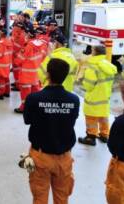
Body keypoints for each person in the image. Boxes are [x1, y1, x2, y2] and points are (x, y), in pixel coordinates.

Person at [23, 59, 80, 204]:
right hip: (64, 157)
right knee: (62, 198)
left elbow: (27, 120)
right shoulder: (74, 100)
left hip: (40, 156)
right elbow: (71, 121)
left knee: (39, 196)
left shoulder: (33, 98)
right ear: (65, 76)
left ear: (47, 75)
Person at [78, 45, 117, 146]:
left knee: (91, 117)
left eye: (92, 51)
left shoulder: (93, 65)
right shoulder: (108, 65)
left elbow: (89, 85)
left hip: (94, 97)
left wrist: (83, 82)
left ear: (94, 52)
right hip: (105, 97)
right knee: (103, 116)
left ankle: (91, 137)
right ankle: (104, 135)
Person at [14, 29, 47, 113]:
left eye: (26, 34)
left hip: (26, 75)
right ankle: (35, 108)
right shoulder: (43, 44)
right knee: (35, 93)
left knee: (25, 94)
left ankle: (24, 108)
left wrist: (16, 60)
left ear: (29, 35)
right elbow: (43, 57)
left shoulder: (28, 46)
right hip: (36, 74)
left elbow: (19, 60)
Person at [0, 28, 12, 100]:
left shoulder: (1, 43)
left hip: (1, 64)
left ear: (1, 34)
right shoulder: (9, 41)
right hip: (7, 64)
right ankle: (7, 92)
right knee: (6, 78)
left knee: (1, 80)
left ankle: (0, 94)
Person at [11, 16, 26, 91]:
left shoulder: (21, 36)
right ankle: (17, 83)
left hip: (17, 56)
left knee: (17, 71)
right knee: (16, 71)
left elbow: (17, 46)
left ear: (19, 28)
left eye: (16, 27)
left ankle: (18, 85)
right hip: (15, 56)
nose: (15, 28)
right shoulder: (19, 33)